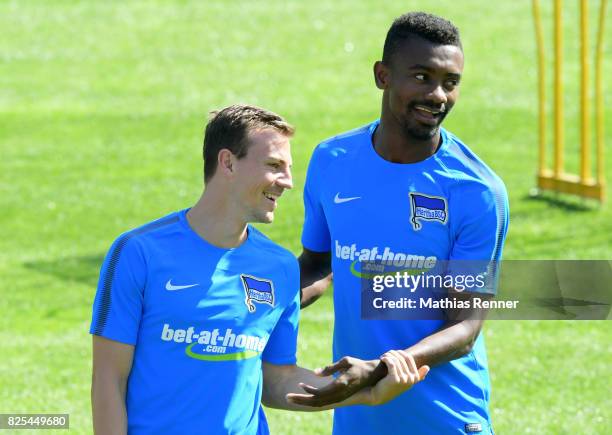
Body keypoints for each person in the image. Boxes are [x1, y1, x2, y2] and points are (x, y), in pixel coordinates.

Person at [89, 104, 428, 434]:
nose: (288, 181)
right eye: (274, 165)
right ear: (228, 163)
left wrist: (365, 392)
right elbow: (109, 378)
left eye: (289, 167)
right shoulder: (139, 252)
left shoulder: (279, 267)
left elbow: (277, 379)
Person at [291, 12, 509, 434]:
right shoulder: (332, 161)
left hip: (445, 419)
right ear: (382, 75)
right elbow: (319, 263)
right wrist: (258, 304)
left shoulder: (477, 192)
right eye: (422, 77)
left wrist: (378, 368)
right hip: (359, 417)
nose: (438, 95)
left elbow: (464, 326)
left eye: (451, 82)